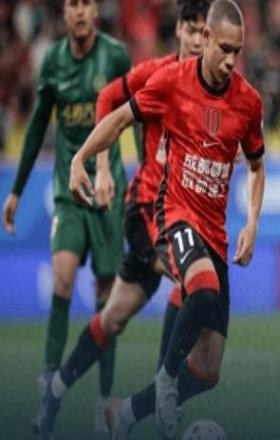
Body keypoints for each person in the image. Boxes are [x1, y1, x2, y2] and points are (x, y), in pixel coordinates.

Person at [42, 1, 265, 439]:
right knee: (197, 285)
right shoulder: (164, 77)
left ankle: (95, 402)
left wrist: (253, 221)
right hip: (158, 212)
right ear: (192, 34)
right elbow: (114, 110)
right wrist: (87, 161)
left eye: (237, 51)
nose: (230, 59)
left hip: (212, 232)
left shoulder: (247, 102)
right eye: (220, 46)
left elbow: (257, 165)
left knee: (197, 363)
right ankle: (165, 378)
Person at [1, 0, 131, 434]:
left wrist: (147, 172)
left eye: (85, 3)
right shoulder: (53, 61)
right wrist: (16, 190)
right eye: (71, 4)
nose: (78, 11)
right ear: (64, 14)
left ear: (95, 11)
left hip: (107, 190)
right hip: (68, 191)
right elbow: (38, 124)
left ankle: (104, 401)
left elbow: (134, 116)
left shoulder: (115, 56)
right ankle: (48, 396)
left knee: (107, 297)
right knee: (62, 279)